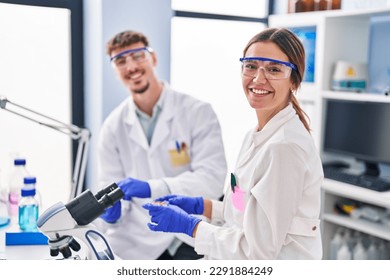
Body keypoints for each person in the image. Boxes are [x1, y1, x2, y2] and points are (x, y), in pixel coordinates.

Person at [143, 27, 324, 260]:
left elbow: (257, 252)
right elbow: (242, 208)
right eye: (251, 66)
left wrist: (190, 226)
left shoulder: (283, 148)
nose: (259, 79)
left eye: (274, 69)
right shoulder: (254, 135)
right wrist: (203, 206)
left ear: (294, 81)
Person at [94, 30, 227, 260]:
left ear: (153, 59)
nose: (131, 67)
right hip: (139, 239)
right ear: (115, 71)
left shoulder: (197, 112)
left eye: (138, 56)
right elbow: (110, 186)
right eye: (121, 61)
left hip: (190, 230)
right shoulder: (112, 128)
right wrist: (111, 212)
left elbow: (212, 180)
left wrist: (152, 187)